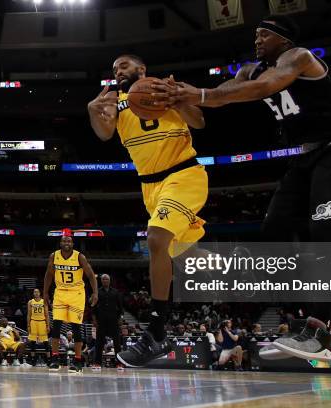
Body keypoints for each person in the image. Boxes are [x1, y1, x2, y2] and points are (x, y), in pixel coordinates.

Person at [151, 15, 331, 363]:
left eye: (264, 34)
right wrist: (178, 96)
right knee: (272, 233)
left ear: (283, 39)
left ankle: (319, 331)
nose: (257, 40)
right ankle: (298, 327)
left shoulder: (299, 57)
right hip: (305, 157)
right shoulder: (248, 72)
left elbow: (266, 87)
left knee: (323, 230)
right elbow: (222, 97)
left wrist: (200, 93)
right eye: (255, 35)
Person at [87, 54, 208, 368]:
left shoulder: (163, 88)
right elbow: (103, 134)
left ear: (142, 69)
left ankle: (156, 329)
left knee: (156, 239)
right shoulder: (116, 101)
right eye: (114, 69)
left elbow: (199, 121)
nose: (117, 72)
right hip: (150, 187)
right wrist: (93, 111)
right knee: (182, 254)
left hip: (183, 174)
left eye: (123, 66)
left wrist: (177, 100)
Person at [43, 234, 98, 373]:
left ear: (73, 244)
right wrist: (45, 293)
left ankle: (78, 361)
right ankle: (55, 359)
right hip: (60, 292)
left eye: (69, 241)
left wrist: (95, 293)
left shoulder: (80, 257)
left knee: (76, 328)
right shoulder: (53, 256)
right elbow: (49, 274)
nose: (66, 242)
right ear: (60, 243)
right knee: (56, 327)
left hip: (76, 294)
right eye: (63, 240)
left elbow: (91, 275)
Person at [92, 274, 124, 371]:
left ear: (109, 281)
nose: (105, 281)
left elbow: (120, 307)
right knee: (99, 343)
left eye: (107, 279)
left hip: (113, 320)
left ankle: (119, 363)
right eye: (103, 279)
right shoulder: (97, 292)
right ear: (101, 281)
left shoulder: (116, 292)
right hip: (101, 321)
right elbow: (93, 307)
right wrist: (94, 320)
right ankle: (97, 363)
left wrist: (121, 318)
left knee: (117, 343)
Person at [27, 288, 50, 366]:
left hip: (42, 322)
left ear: (40, 293)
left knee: (46, 342)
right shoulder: (30, 302)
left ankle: (48, 360)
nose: (36, 293)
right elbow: (29, 314)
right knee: (32, 342)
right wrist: (28, 325)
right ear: (33, 293)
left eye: (37, 292)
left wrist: (48, 325)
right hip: (33, 321)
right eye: (35, 292)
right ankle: (33, 359)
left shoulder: (44, 301)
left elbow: (47, 314)